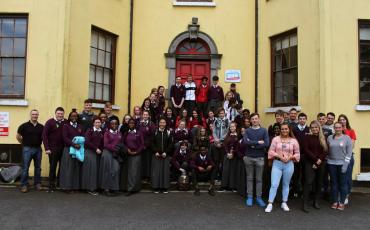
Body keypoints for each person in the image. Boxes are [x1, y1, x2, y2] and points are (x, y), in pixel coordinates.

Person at [265, 123, 300, 213]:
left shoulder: (293, 141)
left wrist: (290, 157)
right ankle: (270, 203)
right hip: (277, 163)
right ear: (280, 130)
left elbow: (297, 153)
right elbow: (271, 151)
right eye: (283, 129)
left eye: (286, 129)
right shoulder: (275, 139)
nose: (284, 130)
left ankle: (284, 202)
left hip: (289, 164)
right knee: (274, 184)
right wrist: (279, 156)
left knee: (286, 184)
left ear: (289, 130)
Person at [243, 113, 269, 207]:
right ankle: (249, 197)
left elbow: (266, 144)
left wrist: (252, 145)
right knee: (249, 178)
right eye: (252, 119)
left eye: (256, 119)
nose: (254, 120)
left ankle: (258, 197)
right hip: (249, 157)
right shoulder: (247, 131)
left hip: (260, 158)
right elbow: (245, 142)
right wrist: (257, 142)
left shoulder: (264, 130)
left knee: (259, 179)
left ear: (259, 119)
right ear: (250, 121)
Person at [302, 120, 328, 213]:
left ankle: (316, 201)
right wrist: (315, 160)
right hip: (310, 162)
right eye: (312, 127)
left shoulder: (323, 137)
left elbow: (325, 151)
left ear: (319, 128)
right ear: (310, 128)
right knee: (308, 182)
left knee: (319, 182)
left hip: (321, 162)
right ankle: (305, 203)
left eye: (316, 127)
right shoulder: (307, 137)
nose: (314, 129)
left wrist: (318, 161)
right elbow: (306, 150)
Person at [17, 109, 44, 193]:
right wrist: (24, 144)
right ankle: (24, 185)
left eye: (36, 114)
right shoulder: (24, 126)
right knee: (25, 168)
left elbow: (44, 137)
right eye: (33, 114)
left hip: (38, 149)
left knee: (38, 168)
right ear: (30, 115)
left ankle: (37, 183)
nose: (35, 116)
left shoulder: (41, 127)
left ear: (38, 115)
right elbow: (18, 136)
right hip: (27, 149)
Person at [327, 122, 352, 211]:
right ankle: (334, 201)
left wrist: (345, 165)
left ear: (342, 128)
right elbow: (327, 150)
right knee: (334, 183)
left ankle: (341, 202)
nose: (337, 129)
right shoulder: (330, 138)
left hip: (342, 164)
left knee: (343, 184)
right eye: (336, 127)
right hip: (331, 164)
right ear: (334, 128)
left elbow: (349, 153)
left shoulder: (347, 138)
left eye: (339, 127)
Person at [42, 107, 67, 193]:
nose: (60, 115)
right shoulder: (50, 122)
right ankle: (51, 185)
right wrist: (47, 148)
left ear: (63, 114)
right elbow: (44, 135)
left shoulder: (66, 122)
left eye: (61, 114)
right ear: (55, 113)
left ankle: (59, 183)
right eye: (58, 113)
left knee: (62, 166)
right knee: (53, 167)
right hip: (53, 149)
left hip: (63, 148)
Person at [60, 109, 83, 193]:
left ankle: (75, 186)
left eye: (76, 116)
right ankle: (67, 187)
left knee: (76, 168)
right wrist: (74, 145)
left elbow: (82, 137)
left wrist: (80, 145)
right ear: (69, 117)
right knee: (68, 168)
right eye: (72, 116)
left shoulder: (80, 126)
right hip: (69, 149)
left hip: (78, 149)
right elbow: (65, 138)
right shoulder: (66, 126)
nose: (74, 117)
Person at [122, 119, 145, 196]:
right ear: (128, 124)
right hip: (128, 154)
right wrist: (127, 149)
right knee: (128, 172)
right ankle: (128, 188)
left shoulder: (139, 133)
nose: (131, 124)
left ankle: (133, 189)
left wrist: (137, 151)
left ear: (135, 124)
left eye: (133, 123)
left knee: (134, 172)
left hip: (136, 154)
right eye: (130, 123)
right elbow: (123, 143)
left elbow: (142, 144)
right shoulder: (126, 133)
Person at [81, 117, 104, 195]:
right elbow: (87, 142)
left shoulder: (102, 131)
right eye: (96, 122)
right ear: (93, 123)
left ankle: (94, 187)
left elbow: (102, 143)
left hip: (97, 153)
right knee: (91, 171)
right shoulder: (90, 131)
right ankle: (90, 188)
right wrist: (96, 148)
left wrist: (100, 149)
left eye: (99, 122)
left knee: (96, 171)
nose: (98, 124)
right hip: (90, 152)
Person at [100, 119, 121, 196]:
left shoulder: (119, 133)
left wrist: (119, 149)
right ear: (110, 125)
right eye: (112, 124)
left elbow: (120, 143)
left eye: (116, 124)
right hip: (107, 153)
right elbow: (106, 144)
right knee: (107, 171)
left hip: (115, 154)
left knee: (115, 169)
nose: (114, 125)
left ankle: (114, 188)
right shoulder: (107, 133)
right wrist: (115, 148)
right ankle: (106, 189)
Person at [151, 118, 173, 193]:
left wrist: (166, 152)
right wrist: (155, 151)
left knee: (165, 172)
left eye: (164, 122)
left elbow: (171, 144)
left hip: (165, 155)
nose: (162, 124)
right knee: (156, 171)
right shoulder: (155, 131)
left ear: (165, 124)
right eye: (161, 122)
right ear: (159, 123)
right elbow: (152, 143)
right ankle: (156, 187)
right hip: (156, 155)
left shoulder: (169, 132)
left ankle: (164, 187)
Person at [338, 114, 356, 205]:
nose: (342, 121)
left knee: (347, 176)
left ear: (346, 121)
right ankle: (340, 194)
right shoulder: (337, 130)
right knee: (340, 176)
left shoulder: (351, 131)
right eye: (340, 120)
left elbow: (352, 145)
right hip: (338, 158)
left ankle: (346, 195)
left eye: (344, 119)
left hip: (348, 157)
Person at [292, 112, 310, 198]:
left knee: (305, 174)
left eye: (304, 119)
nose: (302, 120)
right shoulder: (294, 129)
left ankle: (304, 191)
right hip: (296, 155)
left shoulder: (309, 129)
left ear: (306, 120)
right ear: (298, 120)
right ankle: (295, 190)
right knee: (296, 174)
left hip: (306, 155)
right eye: (300, 119)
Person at [137, 110, 156, 181]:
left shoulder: (151, 124)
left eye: (146, 115)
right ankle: (141, 175)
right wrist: (141, 145)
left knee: (147, 161)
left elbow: (152, 136)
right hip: (140, 146)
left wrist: (146, 145)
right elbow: (137, 134)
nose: (145, 116)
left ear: (148, 116)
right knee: (141, 161)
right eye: (144, 115)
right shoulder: (139, 124)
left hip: (148, 146)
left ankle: (147, 176)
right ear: (142, 116)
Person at [211, 108, 230, 178]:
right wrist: (216, 139)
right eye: (220, 113)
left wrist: (221, 140)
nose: (221, 114)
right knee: (216, 160)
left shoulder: (228, 121)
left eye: (222, 113)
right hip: (216, 143)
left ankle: (223, 176)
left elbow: (228, 132)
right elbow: (214, 131)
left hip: (223, 143)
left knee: (223, 160)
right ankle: (216, 175)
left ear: (224, 113)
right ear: (218, 114)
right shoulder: (215, 121)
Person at [221, 122, 239, 191]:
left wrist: (233, 153)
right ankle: (224, 186)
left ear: (235, 127)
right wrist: (228, 153)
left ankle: (232, 186)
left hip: (234, 156)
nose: (232, 128)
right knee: (226, 170)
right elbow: (225, 145)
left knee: (233, 171)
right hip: (227, 155)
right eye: (231, 127)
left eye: (233, 126)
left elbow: (238, 146)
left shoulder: (238, 135)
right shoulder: (227, 135)